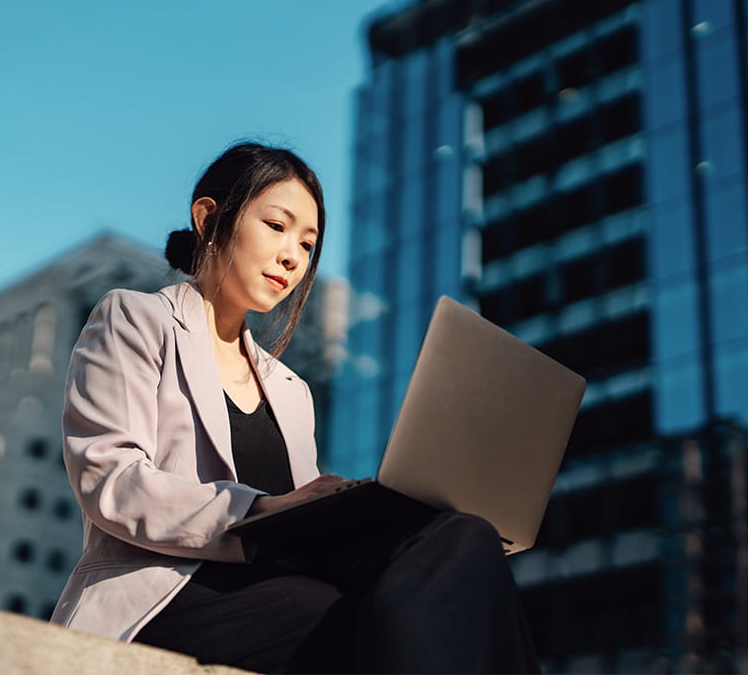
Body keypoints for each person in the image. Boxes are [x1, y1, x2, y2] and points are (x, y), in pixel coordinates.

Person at [50, 142, 540, 674]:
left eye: (307, 245)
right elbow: (112, 480)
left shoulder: (290, 388)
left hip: (275, 590)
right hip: (163, 594)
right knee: (367, 621)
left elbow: (304, 528)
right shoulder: (135, 318)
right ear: (209, 217)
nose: (293, 257)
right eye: (277, 226)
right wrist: (261, 510)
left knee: (463, 535)